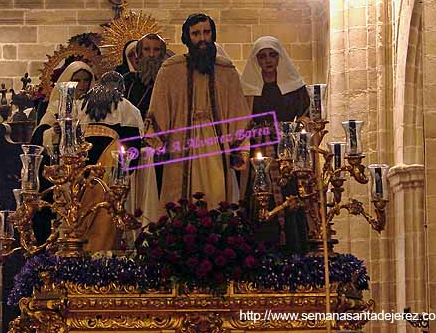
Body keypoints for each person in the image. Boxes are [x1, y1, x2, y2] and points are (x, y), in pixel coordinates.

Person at [144, 13, 250, 211]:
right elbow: (158, 108)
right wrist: (158, 143)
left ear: (213, 35)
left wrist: (240, 149)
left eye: (206, 32)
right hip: (180, 144)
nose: (202, 38)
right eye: (196, 33)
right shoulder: (170, 70)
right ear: (187, 37)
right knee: (179, 199)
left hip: (216, 145)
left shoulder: (226, 71)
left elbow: (238, 113)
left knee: (216, 196)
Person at [240, 35, 310, 253]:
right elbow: (241, 120)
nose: (267, 60)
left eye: (272, 55)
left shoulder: (295, 87)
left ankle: (294, 248)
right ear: (256, 60)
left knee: (290, 194)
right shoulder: (248, 89)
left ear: (279, 57)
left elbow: (307, 117)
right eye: (262, 56)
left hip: (287, 149)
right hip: (259, 148)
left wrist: (295, 130)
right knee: (261, 196)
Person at [76, 71, 145, 250]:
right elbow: (133, 148)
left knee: (80, 215)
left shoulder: (80, 104)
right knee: (107, 214)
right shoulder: (128, 108)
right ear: (121, 89)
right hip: (112, 166)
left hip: (81, 165)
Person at [31, 61, 95, 150]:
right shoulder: (57, 105)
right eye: (77, 80)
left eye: (86, 80)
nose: (82, 85)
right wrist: (54, 131)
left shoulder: (94, 104)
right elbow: (41, 132)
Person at [123, 33, 168, 119]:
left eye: (156, 49)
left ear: (162, 53)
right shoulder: (129, 81)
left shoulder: (170, 81)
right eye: (146, 49)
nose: (151, 54)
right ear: (139, 53)